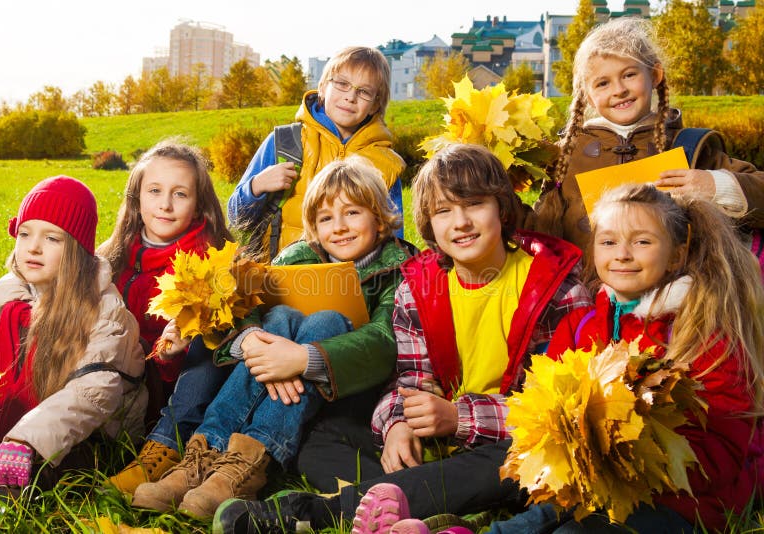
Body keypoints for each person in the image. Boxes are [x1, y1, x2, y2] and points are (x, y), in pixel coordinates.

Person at [212, 143, 591, 534]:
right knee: (322, 439)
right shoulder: (420, 286)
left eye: (474, 205)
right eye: (443, 211)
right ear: (428, 222)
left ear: (502, 208)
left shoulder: (554, 289)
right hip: (438, 437)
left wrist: (459, 418)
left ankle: (316, 513)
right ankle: (434, 508)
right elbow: (410, 377)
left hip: (508, 441)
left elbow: (561, 413)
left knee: (524, 457)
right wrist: (397, 424)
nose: (460, 222)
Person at [390, 183, 764, 534]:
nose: (622, 254)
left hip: (679, 499)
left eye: (642, 242)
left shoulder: (701, 331)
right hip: (581, 481)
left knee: (580, 528)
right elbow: (540, 403)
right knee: (529, 486)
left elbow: (726, 447)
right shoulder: (583, 323)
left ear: (676, 255)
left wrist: (635, 455)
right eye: (608, 241)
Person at [131, 156, 417, 520]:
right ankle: (203, 456)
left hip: (344, 393)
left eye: (353, 214)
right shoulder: (297, 257)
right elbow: (247, 302)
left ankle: (247, 464)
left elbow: (382, 342)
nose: (339, 228)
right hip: (275, 377)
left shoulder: (396, 268)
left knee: (327, 319)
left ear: (378, 218)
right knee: (278, 315)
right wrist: (249, 337)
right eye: (326, 218)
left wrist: (302, 359)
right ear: (313, 225)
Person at [0, 176, 146, 525]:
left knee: (39, 466)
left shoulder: (104, 309)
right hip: (27, 417)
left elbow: (92, 395)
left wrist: (26, 442)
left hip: (93, 435)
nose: (33, 247)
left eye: (51, 238)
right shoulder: (13, 299)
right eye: (25, 234)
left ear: (77, 249)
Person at [532, 17, 764, 253]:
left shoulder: (687, 147)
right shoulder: (565, 156)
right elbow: (537, 230)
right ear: (588, 96)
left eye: (629, 75)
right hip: (586, 287)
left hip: (672, 287)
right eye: (603, 83)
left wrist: (712, 184)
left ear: (655, 75)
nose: (619, 90)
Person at [101, 140, 233, 495]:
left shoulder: (210, 261)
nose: (165, 204)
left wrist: (175, 350)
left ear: (198, 204)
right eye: (155, 191)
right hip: (120, 380)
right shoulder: (113, 255)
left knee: (214, 335)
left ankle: (167, 445)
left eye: (180, 194)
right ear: (137, 198)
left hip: (175, 385)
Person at [228, 45, 406, 260]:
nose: (350, 96)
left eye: (364, 91)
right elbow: (236, 218)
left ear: (376, 104)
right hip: (278, 283)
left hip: (351, 286)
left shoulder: (384, 164)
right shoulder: (285, 143)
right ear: (322, 87)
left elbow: (394, 248)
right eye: (342, 84)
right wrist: (256, 187)